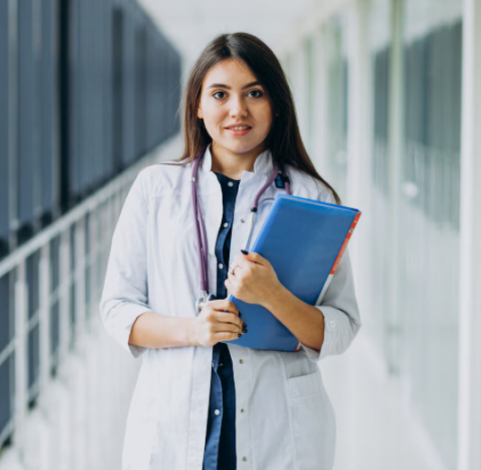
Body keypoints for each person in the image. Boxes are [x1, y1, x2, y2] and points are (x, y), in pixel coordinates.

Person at [100, 32, 360, 470]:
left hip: (280, 433)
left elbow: (342, 325)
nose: (238, 109)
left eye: (254, 93)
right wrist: (193, 330)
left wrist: (272, 295)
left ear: (276, 104)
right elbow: (117, 309)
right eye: (220, 94)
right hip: (172, 429)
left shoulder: (312, 197)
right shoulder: (155, 190)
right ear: (198, 106)